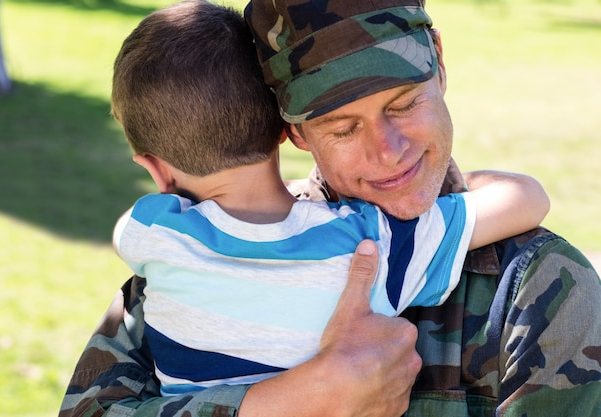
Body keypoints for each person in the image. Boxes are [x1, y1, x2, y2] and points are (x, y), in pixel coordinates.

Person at [59, 0, 601, 416]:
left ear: (437, 58)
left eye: (404, 103)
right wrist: (292, 399)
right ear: (290, 129)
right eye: (342, 128)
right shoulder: (185, 265)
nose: (388, 151)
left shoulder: (539, 286)